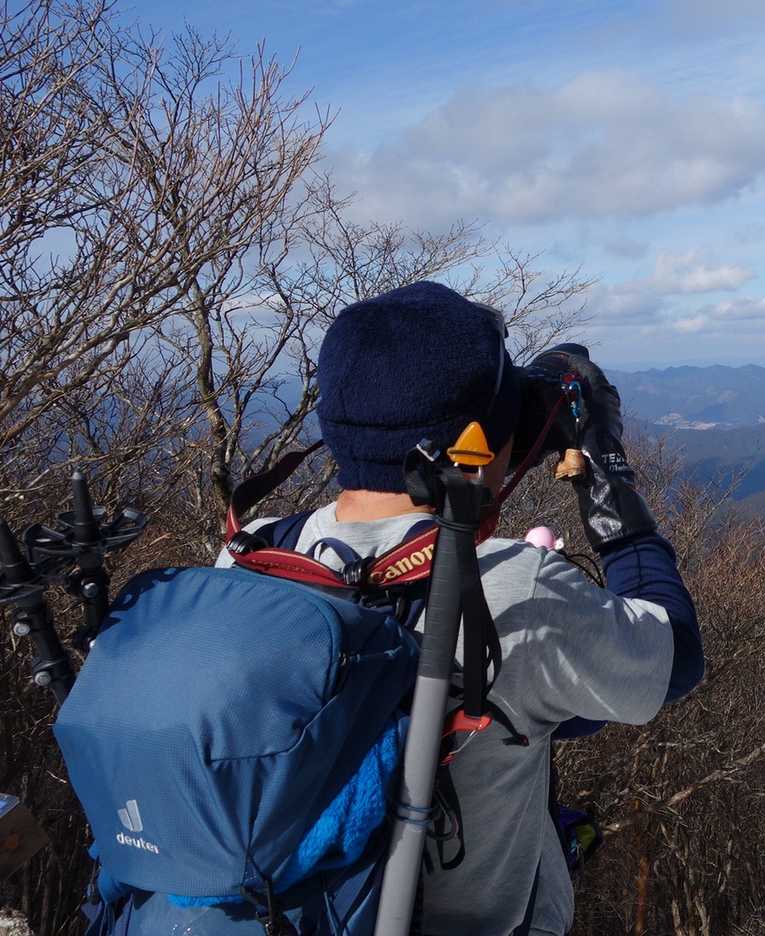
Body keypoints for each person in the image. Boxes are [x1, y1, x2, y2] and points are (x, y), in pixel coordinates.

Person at [218, 280, 704, 935]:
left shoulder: (249, 555)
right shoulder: (513, 586)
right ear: (483, 441)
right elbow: (676, 656)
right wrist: (604, 471)